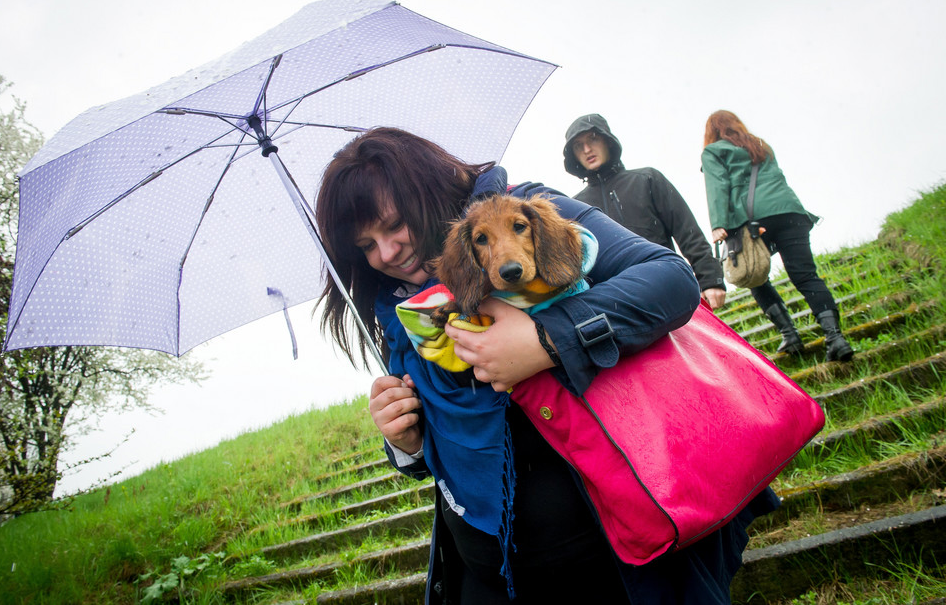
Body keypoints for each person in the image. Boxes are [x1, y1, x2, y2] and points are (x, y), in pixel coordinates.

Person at [315, 127, 778, 604]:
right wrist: (405, 441)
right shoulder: (399, 308)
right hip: (488, 572)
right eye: (367, 246)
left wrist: (547, 340)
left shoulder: (527, 210)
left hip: (612, 555)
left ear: (425, 191)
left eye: (393, 226)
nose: (387, 253)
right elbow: (441, 441)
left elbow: (670, 279)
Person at [700, 110, 854, 362]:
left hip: (753, 219)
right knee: (805, 275)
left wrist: (719, 223)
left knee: (755, 275)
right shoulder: (760, 144)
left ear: (712, 132)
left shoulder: (714, 151)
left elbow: (717, 185)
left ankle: (790, 335)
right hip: (790, 211)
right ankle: (835, 338)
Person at [563, 114, 728, 310]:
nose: (587, 149)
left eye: (593, 138)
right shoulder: (577, 206)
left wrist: (710, 279)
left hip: (666, 290)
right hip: (616, 308)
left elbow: (686, 230)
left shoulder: (647, 179)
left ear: (607, 140)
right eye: (578, 145)